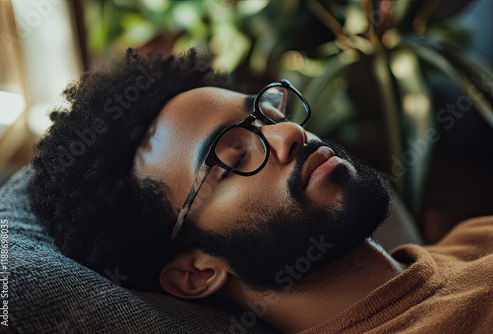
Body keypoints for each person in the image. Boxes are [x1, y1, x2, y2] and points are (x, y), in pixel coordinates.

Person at [28, 49, 493, 333]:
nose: (288, 132)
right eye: (232, 158)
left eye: (265, 114)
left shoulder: (474, 236)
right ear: (197, 272)